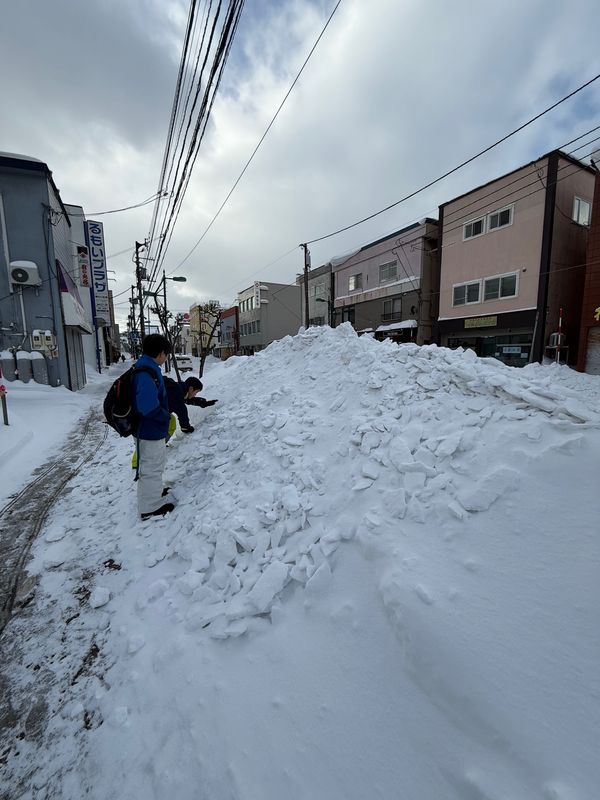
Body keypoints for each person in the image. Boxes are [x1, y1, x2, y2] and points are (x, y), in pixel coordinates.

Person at [134, 333, 174, 520]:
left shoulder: (147, 368)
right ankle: (150, 507)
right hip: (149, 429)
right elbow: (147, 406)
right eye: (166, 353)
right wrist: (164, 416)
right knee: (151, 467)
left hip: (151, 429)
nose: (166, 357)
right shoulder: (145, 372)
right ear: (160, 353)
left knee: (154, 465)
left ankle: (154, 493)